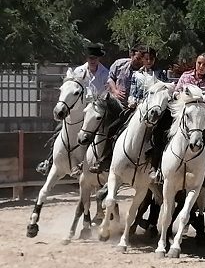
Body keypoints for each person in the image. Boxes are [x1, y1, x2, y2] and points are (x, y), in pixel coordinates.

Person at [36, 42, 109, 176]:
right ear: (87, 58)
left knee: (101, 134)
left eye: (95, 58)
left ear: (99, 59)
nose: (93, 61)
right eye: (90, 58)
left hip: (94, 110)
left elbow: (105, 92)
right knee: (60, 129)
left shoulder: (105, 73)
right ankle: (49, 160)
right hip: (78, 109)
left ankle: (100, 162)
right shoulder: (78, 71)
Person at [87, 45, 146, 174]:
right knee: (92, 121)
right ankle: (86, 158)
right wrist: (114, 90)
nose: (140, 61)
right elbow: (110, 78)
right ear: (131, 55)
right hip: (115, 103)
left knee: (116, 128)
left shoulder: (144, 72)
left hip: (133, 108)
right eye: (138, 57)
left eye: (142, 58)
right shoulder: (119, 64)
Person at [173, 52, 205, 191]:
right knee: (162, 130)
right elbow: (175, 92)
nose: (201, 66)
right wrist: (182, 97)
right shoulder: (186, 76)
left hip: (202, 118)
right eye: (199, 63)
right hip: (183, 115)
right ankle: (156, 167)